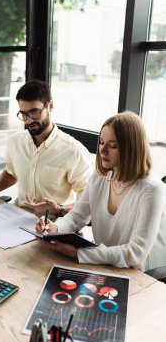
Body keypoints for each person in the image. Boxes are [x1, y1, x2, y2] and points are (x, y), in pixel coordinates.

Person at [36, 111, 166, 271]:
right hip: (104, 263)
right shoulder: (100, 175)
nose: (102, 151)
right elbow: (77, 216)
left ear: (132, 149)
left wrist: (80, 253)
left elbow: (135, 254)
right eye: (101, 142)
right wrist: (54, 229)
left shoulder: (152, 190)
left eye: (113, 146)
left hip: (141, 274)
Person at [0, 79, 93, 216]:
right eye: (24, 114)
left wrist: (60, 210)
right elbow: (11, 172)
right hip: (17, 216)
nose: (29, 120)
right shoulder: (15, 141)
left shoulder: (74, 151)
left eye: (35, 112)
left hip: (53, 224)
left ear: (50, 106)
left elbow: (90, 201)